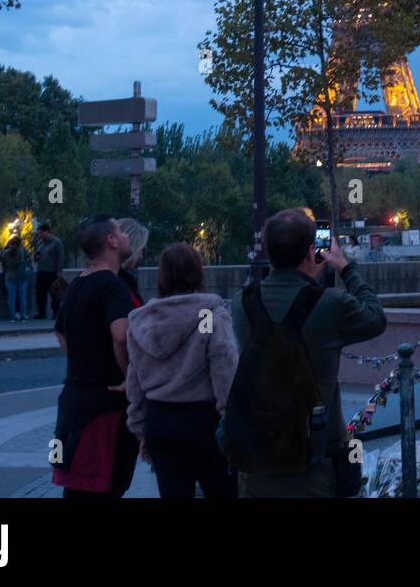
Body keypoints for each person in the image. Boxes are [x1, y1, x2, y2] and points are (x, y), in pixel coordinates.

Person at [228, 208, 387, 497]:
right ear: (313, 251)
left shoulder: (240, 304)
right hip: (314, 464)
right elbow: (376, 318)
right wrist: (344, 267)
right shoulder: (330, 304)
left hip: (255, 462)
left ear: (268, 249)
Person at [126, 243, 238, 498]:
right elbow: (224, 372)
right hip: (203, 421)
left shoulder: (141, 320)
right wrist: (231, 420)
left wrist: (139, 428)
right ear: (198, 272)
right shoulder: (210, 315)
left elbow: (135, 380)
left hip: (160, 420)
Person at [51, 216, 139, 498]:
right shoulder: (113, 286)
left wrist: (83, 364)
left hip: (74, 404)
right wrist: (128, 377)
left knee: (76, 490)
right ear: (111, 241)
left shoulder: (78, 283)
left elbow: (61, 334)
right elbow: (121, 335)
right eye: (121, 232)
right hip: (105, 410)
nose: (126, 236)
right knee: (106, 488)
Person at [0, 236, 32, 322]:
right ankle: (23, 317)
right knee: (22, 298)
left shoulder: (5, 253)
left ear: (10, 244)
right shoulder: (23, 251)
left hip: (10, 277)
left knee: (11, 298)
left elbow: (1, 264)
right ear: (19, 244)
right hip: (22, 276)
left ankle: (12, 318)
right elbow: (29, 262)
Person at [33, 223, 65, 320]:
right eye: (38, 234)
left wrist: (59, 271)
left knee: (54, 294)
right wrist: (36, 257)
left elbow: (60, 257)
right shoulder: (40, 243)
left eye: (41, 233)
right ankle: (41, 313)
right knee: (40, 294)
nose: (40, 236)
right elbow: (37, 256)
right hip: (41, 271)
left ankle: (56, 313)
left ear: (47, 232)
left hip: (52, 272)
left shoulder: (56, 242)